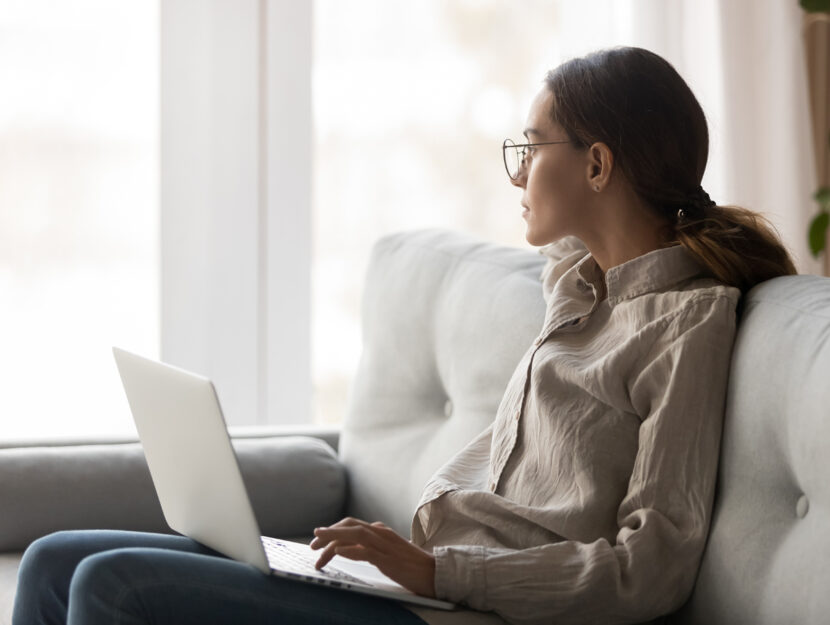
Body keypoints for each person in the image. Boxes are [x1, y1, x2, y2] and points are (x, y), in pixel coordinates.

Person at [13, 46, 796, 625]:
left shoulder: (685, 324)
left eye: (531, 147)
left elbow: (650, 569)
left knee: (111, 587)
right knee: (54, 557)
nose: (518, 175)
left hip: (466, 607)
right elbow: (602, 231)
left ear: (597, 164)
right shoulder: (578, 288)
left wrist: (434, 570)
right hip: (421, 584)